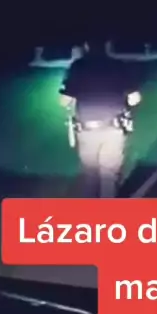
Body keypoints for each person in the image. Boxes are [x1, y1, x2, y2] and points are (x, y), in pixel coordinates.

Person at [59, 42, 141, 197]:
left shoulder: (78, 67)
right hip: (114, 129)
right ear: (108, 45)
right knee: (110, 176)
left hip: (87, 131)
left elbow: (64, 101)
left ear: (86, 46)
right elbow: (135, 99)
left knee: (90, 176)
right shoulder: (118, 66)